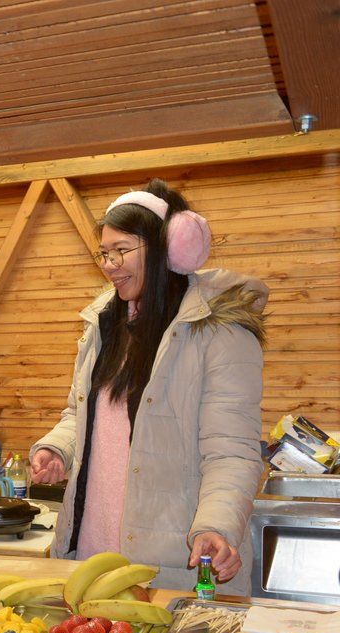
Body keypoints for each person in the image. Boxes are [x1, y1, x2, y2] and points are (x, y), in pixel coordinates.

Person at [30, 178, 268, 594]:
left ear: (170, 249)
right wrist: (57, 448)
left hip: (173, 562)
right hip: (89, 550)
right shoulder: (105, 326)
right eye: (104, 253)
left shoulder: (220, 333)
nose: (109, 264)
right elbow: (83, 415)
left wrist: (216, 526)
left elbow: (231, 452)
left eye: (122, 250)